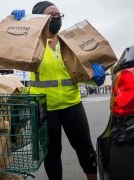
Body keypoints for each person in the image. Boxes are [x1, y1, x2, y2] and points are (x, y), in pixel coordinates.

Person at [12, 2, 106, 180]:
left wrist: (96, 78)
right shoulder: (32, 43)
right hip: (45, 109)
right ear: (40, 19)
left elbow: (79, 71)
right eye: (51, 14)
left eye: (58, 14)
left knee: (85, 149)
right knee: (52, 153)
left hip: (72, 104)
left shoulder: (69, 42)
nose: (56, 17)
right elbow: (13, 45)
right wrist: (18, 22)